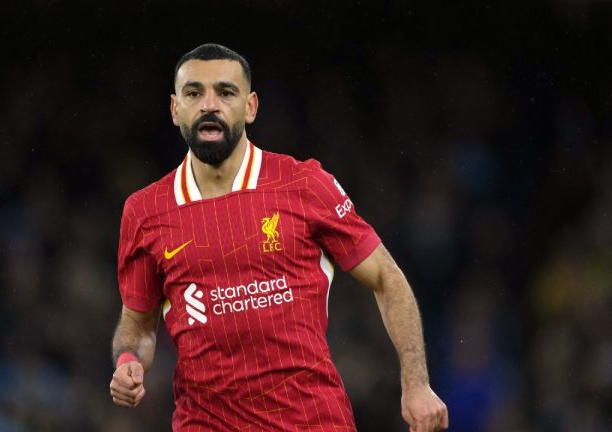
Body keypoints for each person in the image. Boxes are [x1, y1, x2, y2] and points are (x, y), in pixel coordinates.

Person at [110, 43, 449, 432]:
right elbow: (138, 325)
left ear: (251, 106)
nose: (209, 105)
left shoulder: (303, 184)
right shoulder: (145, 211)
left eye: (225, 92)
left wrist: (417, 383)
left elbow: (387, 278)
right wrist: (128, 362)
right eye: (193, 93)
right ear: (175, 109)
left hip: (314, 421)